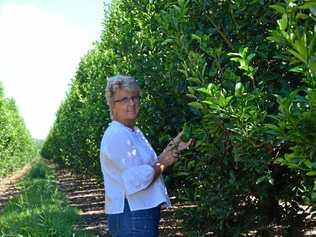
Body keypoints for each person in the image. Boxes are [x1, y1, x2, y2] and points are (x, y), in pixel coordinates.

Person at [99, 75, 192, 237]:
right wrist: (163, 163)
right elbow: (136, 178)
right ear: (113, 105)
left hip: (140, 210)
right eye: (124, 99)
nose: (132, 103)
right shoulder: (117, 134)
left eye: (135, 97)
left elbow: (150, 163)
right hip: (132, 213)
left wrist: (174, 146)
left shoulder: (132, 132)